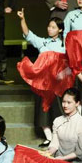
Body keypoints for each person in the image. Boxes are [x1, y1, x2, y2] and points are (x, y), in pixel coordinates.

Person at [18, 8, 65, 147]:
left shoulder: (64, 45)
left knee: (57, 110)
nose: (49, 29)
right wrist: (22, 19)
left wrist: (61, 75)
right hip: (43, 84)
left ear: (60, 30)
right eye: (49, 26)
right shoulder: (43, 42)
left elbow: (68, 65)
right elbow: (28, 34)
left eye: (53, 27)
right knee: (42, 110)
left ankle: (58, 137)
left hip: (58, 84)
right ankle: (48, 137)